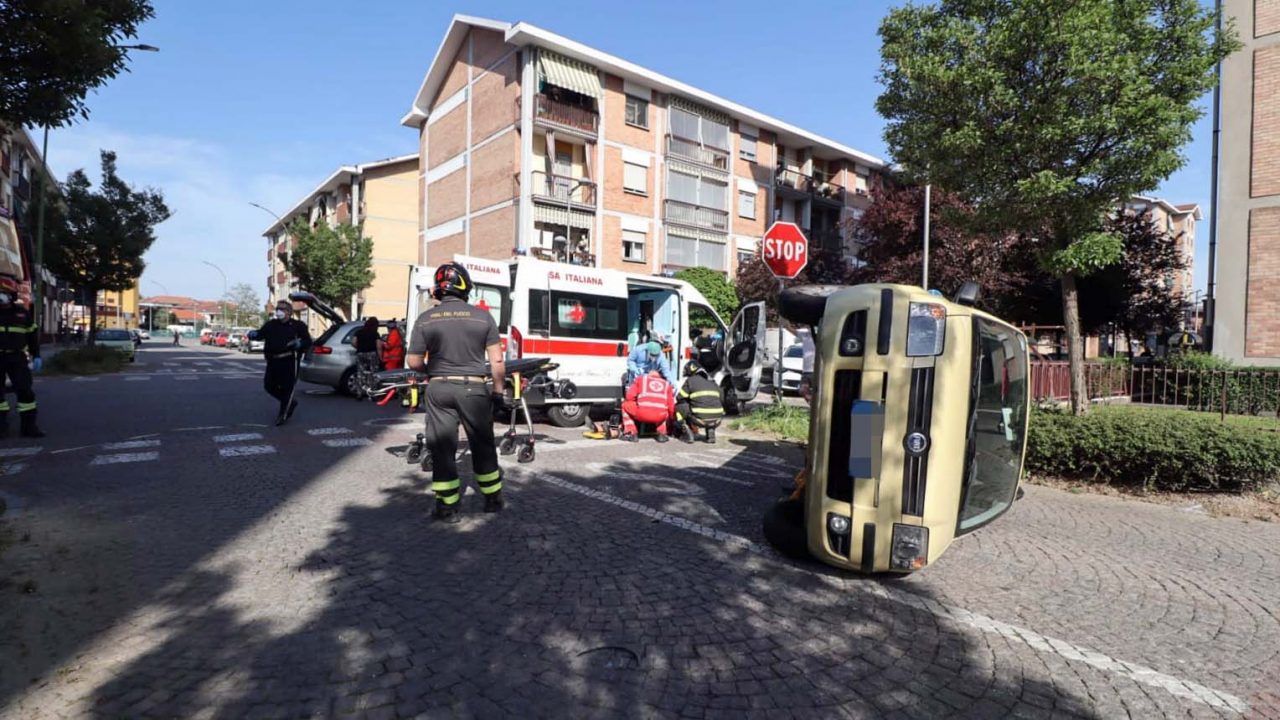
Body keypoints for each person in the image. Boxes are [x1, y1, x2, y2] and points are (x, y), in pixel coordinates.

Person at [407, 262, 506, 522]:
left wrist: (434, 371)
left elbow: (414, 362)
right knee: (483, 445)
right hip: (474, 388)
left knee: (442, 447)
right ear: (465, 288)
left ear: (439, 290)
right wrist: (498, 392)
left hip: (439, 387)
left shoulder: (425, 319)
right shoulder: (483, 317)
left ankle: (447, 507)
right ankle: (492, 499)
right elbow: (497, 362)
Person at [252, 300, 311, 425]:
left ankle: (283, 414)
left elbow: (307, 341)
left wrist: (300, 344)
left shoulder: (297, 325)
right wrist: (253, 334)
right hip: (272, 361)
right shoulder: (271, 324)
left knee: (287, 388)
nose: (279, 311)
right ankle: (290, 402)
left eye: (282, 309)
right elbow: (259, 334)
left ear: (289, 312)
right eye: (278, 308)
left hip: (288, 361)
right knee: (269, 386)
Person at [0, 276, 43, 438]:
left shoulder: (22, 314)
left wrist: (36, 355)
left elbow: (32, 337)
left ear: (12, 295)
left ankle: (29, 427)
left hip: (17, 358)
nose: (1, 296)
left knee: (25, 392)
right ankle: (1, 427)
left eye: (4, 293)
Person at [674, 360, 724, 444]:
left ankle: (686, 431)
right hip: (717, 419)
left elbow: (679, 398)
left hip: (699, 419)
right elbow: (721, 399)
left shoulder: (690, 380)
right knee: (709, 406)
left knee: (679, 406)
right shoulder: (712, 381)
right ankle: (710, 430)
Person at [620, 370, 675, 443]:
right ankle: (662, 434)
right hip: (660, 416)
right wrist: (672, 418)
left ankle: (631, 432)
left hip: (642, 413)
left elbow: (629, 397)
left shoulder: (641, 379)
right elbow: (671, 406)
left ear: (648, 375)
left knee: (624, 405)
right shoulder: (667, 385)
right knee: (664, 410)